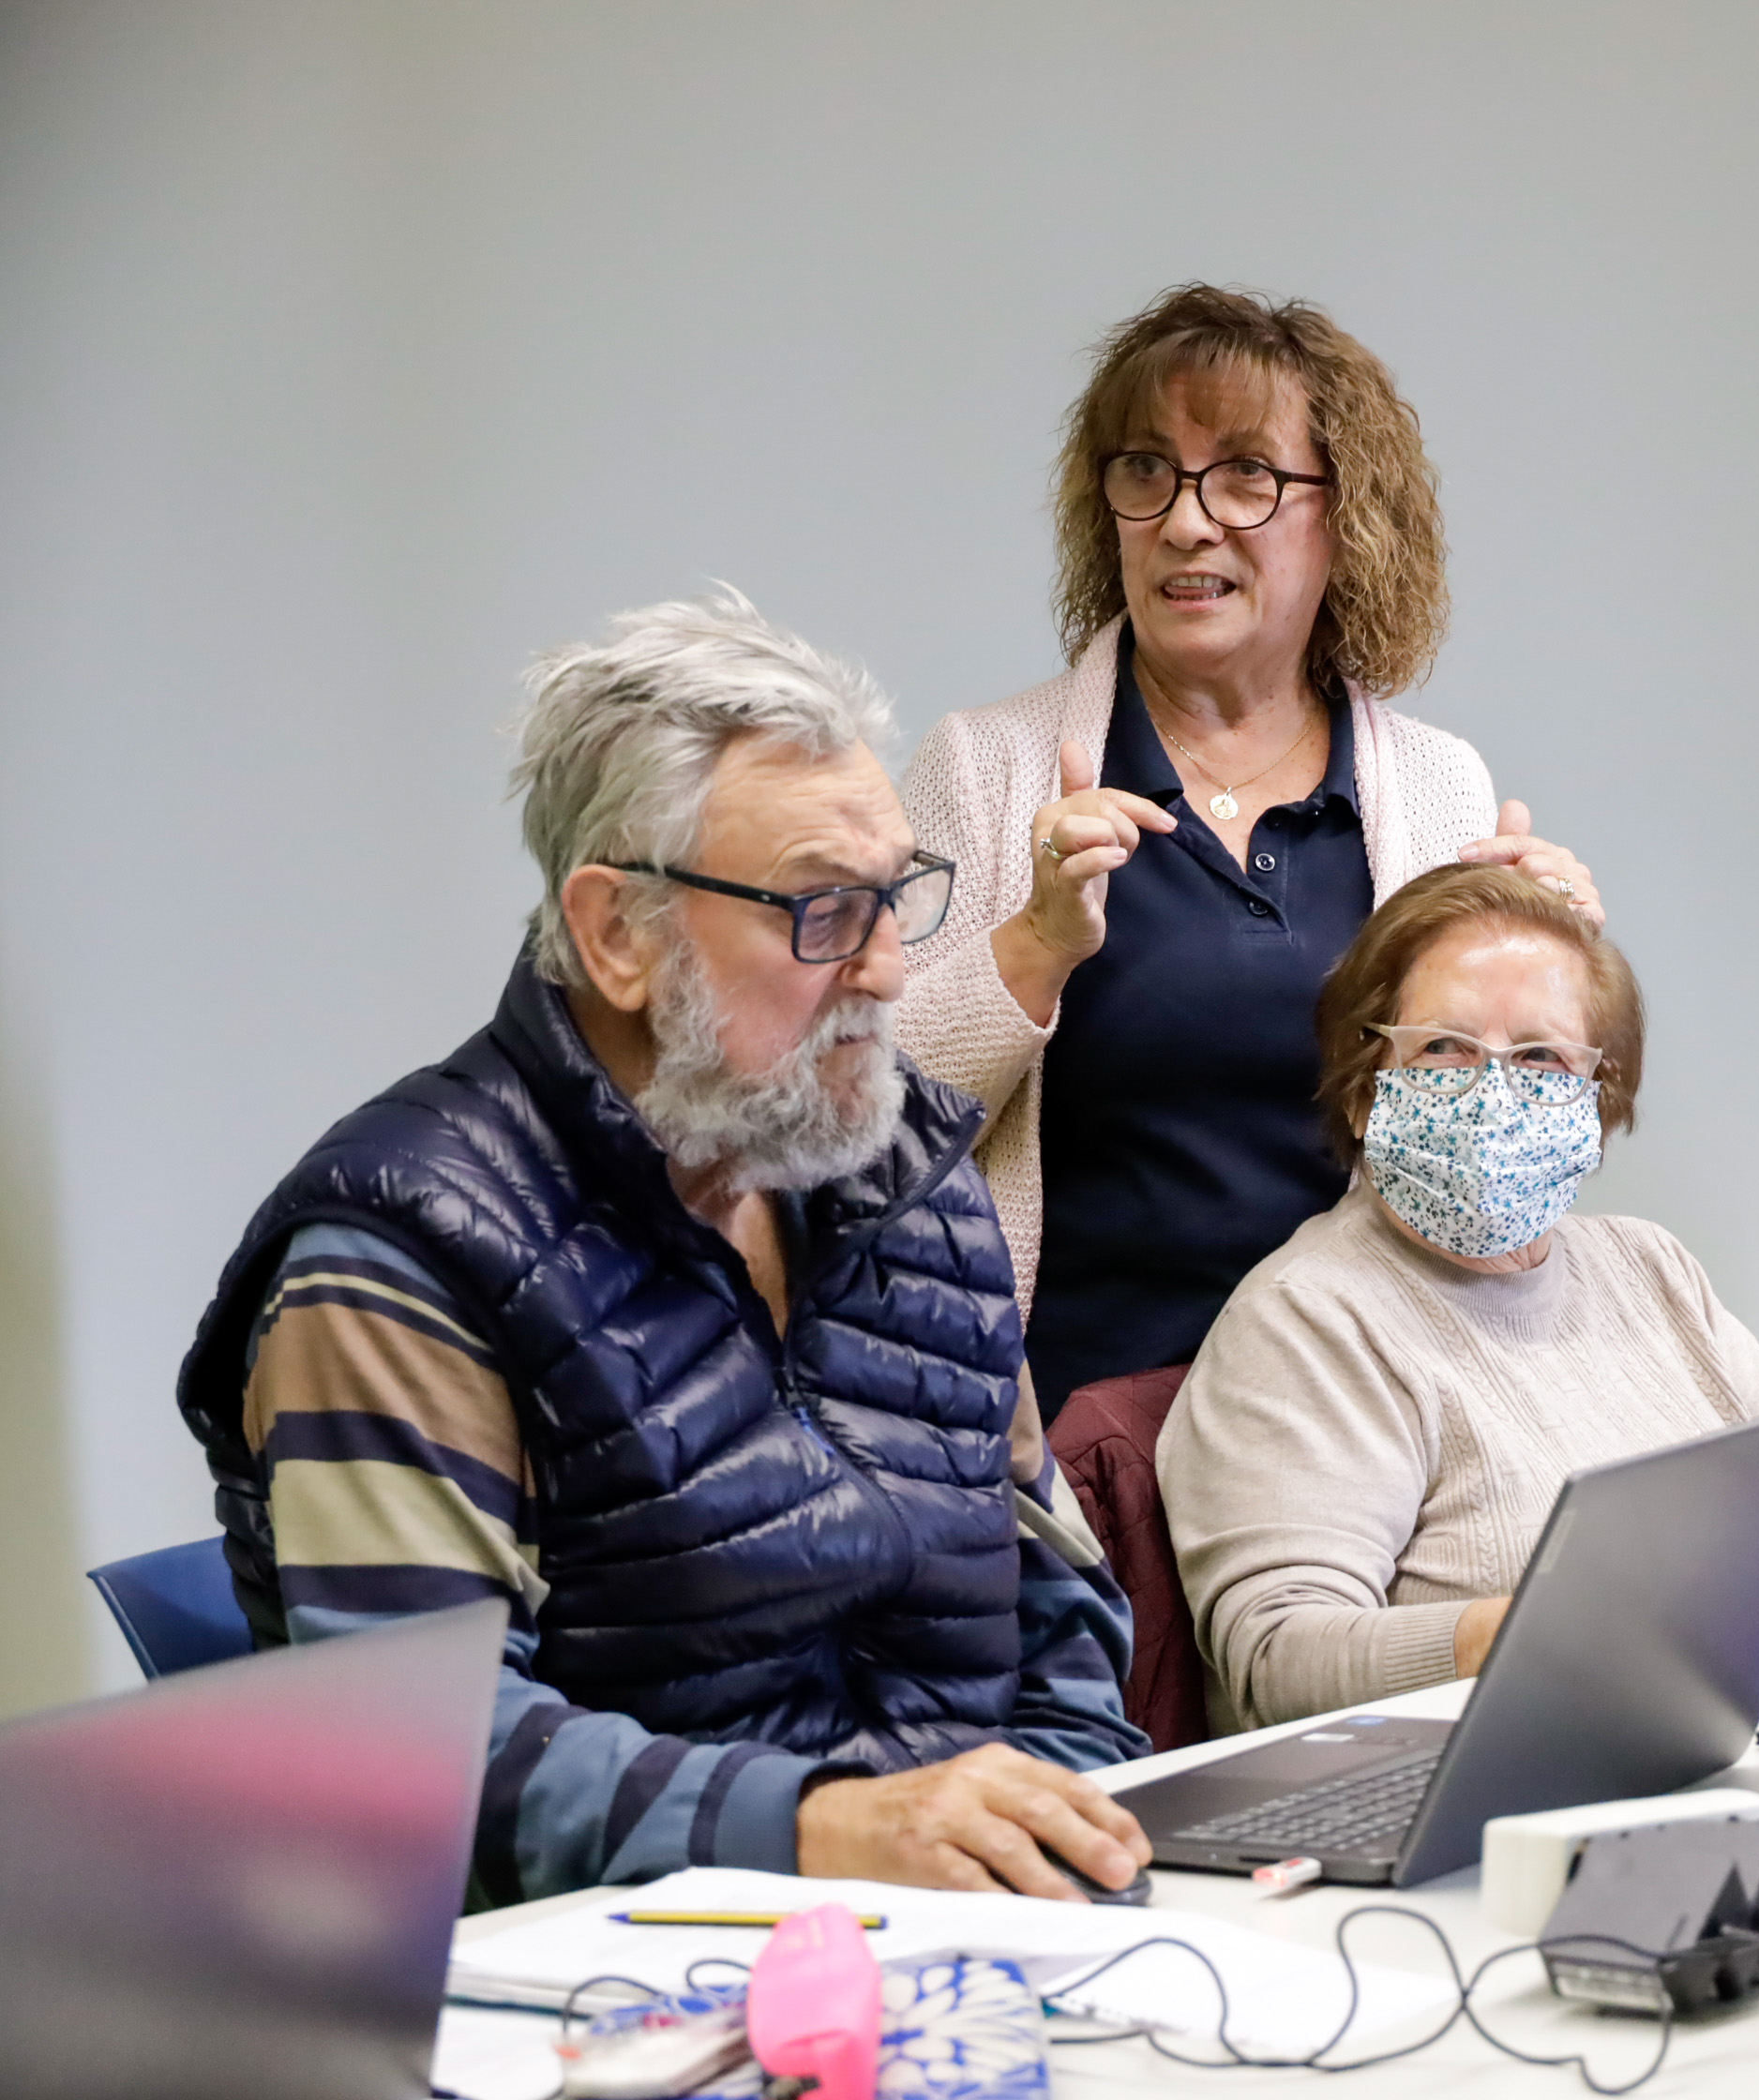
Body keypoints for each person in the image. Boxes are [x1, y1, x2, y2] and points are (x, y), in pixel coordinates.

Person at [173, 592, 1154, 1908]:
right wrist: (827, 1832)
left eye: (894, 898)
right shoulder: (402, 1256)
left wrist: (1064, 1856)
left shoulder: (910, 1173)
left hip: (966, 1950)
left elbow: (1061, 1608)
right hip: (624, 1975)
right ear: (616, 933)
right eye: (822, 910)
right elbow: (425, 1756)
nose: (886, 970)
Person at [900, 285, 1601, 1420]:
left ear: (1347, 515)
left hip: (1354, 1430)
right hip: (1058, 1448)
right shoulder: (986, 767)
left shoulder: (1439, 789)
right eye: (1148, 471)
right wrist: (1033, 945)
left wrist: (1546, 1016)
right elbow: (855, 1130)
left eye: (1244, 475)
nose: (1186, 522)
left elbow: (1488, 1201)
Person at [1157, 864, 1759, 1734]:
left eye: (1540, 1057)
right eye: (1444, 1048)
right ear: (1361, 1089)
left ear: (1597, 1100)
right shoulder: (1308, 1318)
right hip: (1490, 1768)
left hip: (1717, 1730)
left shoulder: (1644, 1265)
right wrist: (1528, 1632)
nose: (1493, 1094)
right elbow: (1277, 1657)